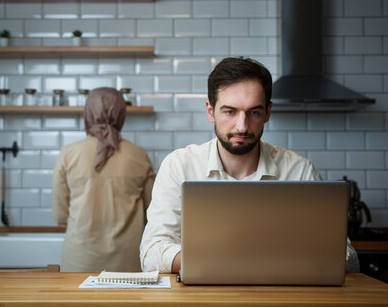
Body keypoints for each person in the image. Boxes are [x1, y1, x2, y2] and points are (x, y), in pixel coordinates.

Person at [139, 57, 359, 274]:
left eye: (253, 112)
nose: (242, 126)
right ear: (210, 111)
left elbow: (347, 258)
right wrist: (222, 261)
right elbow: (151, 253)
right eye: (230, 111)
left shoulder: (299, 171)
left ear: (268, 112)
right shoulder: (179, 166)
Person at [52, 87, 156, 272]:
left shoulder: (68, 154)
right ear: (121, 113)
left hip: (80, 261)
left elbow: (60, 215)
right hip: (128, 263)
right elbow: (153, 211)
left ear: (88, 113)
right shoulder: (139, 155)